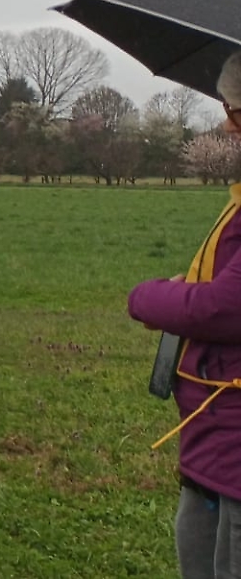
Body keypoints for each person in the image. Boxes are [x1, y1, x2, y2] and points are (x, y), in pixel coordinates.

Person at [128, 51, 241, 579]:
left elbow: (227, 309)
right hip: (216, 435)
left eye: (235, 110)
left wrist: (148, 299)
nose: (228, 125)